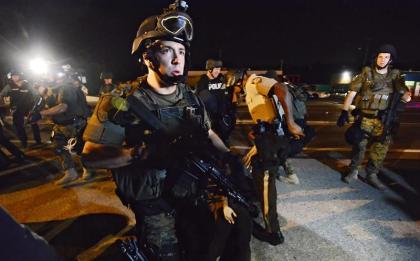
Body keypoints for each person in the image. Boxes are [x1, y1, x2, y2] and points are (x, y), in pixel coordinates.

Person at [81, 1, 245, 260]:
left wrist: (229, 159)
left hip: (191, 194)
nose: (178, 59)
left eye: (181, 50)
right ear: (147, 56)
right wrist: (139, 154)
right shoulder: (120, 100)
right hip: (153, 204)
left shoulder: (190, 97)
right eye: (168, 50)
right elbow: (90, 155)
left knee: (203, 249)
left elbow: (208, 133)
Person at [337, 44, 411, 190]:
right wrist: (344, 111)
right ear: (376, 58)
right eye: (380, 56)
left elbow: (405, 96)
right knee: (359, 146)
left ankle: (372, 174)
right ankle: (353, 171)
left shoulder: (395, 76)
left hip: (384, 120)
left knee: (380, 149)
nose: (383, 59)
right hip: (365, 118)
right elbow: (351, 93)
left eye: (386, 57)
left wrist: (405, 95)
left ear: (391, 60)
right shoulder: (366, 74)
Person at [242, 71, 304, 245]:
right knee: (257, 170)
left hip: (273, 138)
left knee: (266, 182)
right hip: (273, 137)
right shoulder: (261, 91)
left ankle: (273, 232)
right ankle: (257, 206)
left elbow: (280, 87)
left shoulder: (253, 81)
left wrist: (291, 122)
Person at [30, 72, 90, 185]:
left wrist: (41, 114)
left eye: (48, 75)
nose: (46, 78)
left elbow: (63, 107)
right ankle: (70, 172)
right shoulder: (55, 90)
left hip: (74, 124)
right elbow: (52, 106)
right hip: (60, 125)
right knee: (58, 147)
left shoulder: (67, 88)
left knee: (80, 148)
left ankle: (88, 170)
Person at [196, 59, 234, 144]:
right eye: (216, 69)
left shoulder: (222, 79)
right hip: (210, 118)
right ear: (210, 69)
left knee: (224, 141)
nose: (218, 71)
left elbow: (228, 95)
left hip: (222, 116)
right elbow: (201, 100)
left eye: (219, 69)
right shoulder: (203, 82)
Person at [0, 71, 40, 148]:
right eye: (12, 76)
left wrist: (35, 106)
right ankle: (24, 142)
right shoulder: (9, 86)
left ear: (20, 76)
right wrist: (3, 103)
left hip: (29, 109)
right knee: (18, 126)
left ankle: (38, 140)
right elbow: (1, 95)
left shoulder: (27, 85)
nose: (14, 77)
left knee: (33, 123)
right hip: (16, 110)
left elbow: (36, 95)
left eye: (16, 76)